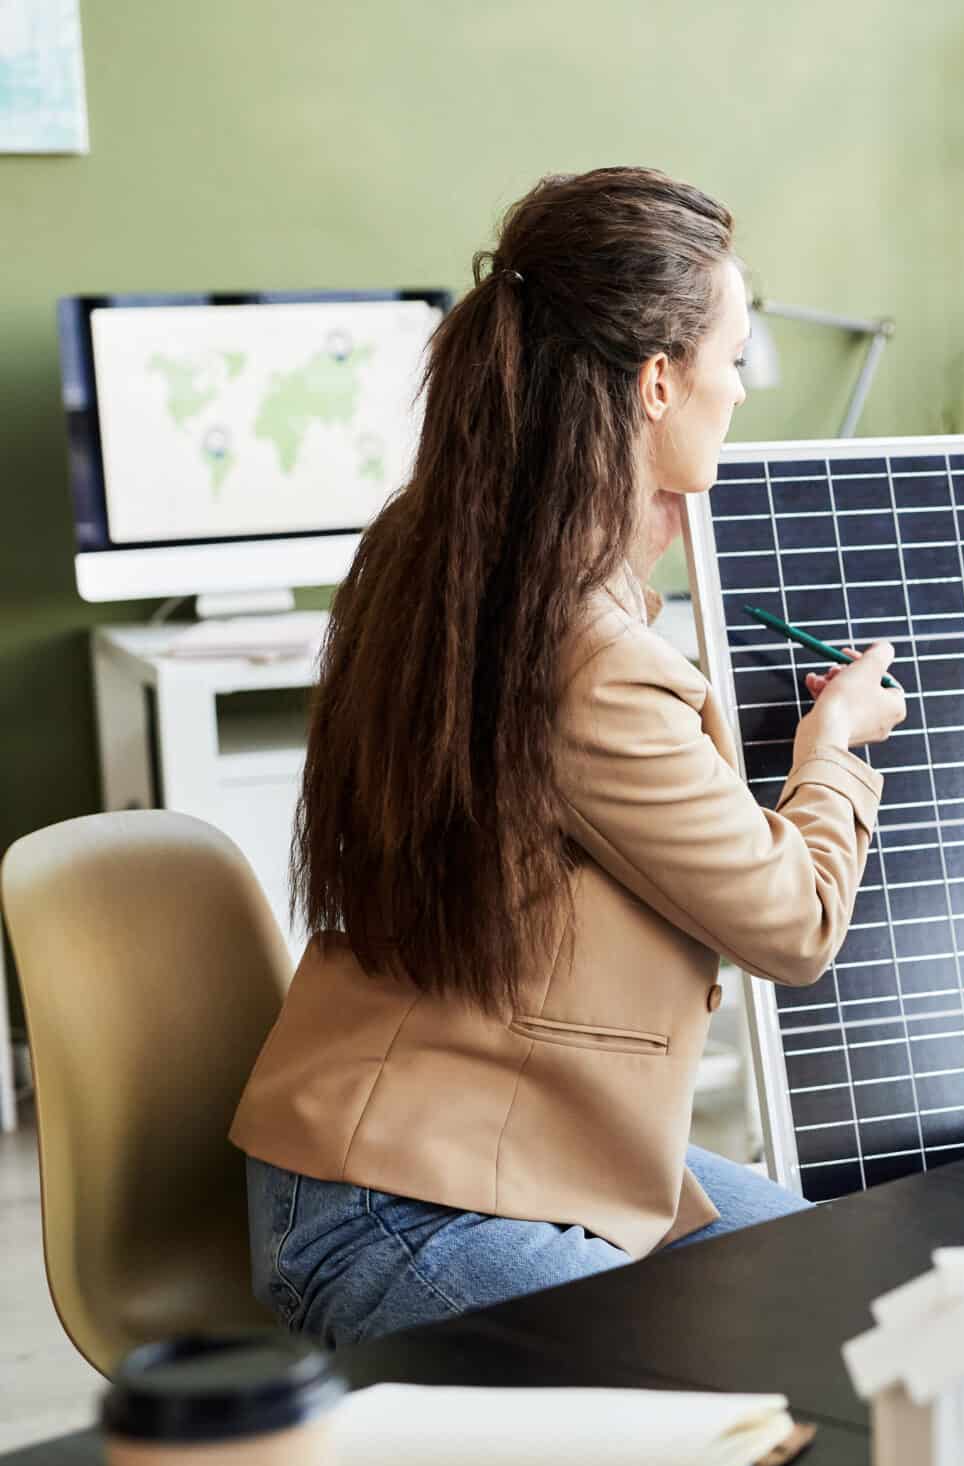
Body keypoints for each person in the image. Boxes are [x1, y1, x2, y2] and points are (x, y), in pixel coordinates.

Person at [231, 168, 906, 1346]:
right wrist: (831, 751)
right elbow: (792, 926)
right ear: (657, 383)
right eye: (732, 358)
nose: (740, 391)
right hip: (409, 1207)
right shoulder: (593, 658)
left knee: (847, 1306)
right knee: (760, 1378)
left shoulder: (447, 548)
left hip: (506, 1157)